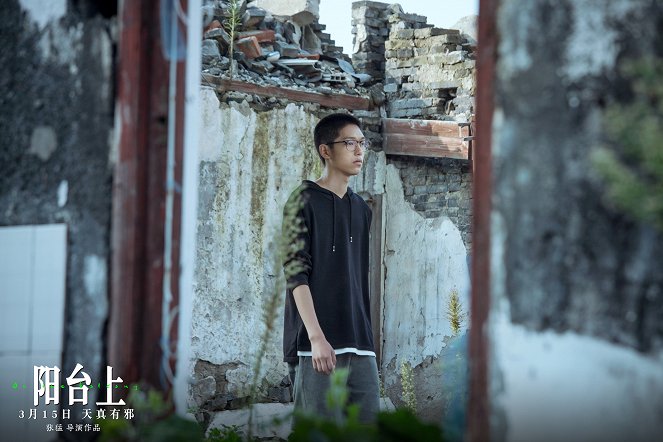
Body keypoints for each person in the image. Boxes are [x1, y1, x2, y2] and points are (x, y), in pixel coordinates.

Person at [282, 113, 379, 424]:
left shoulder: (363, 209)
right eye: (350, 143)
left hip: (361, 344)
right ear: (326, 150)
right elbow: (297, 274)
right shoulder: (303, 201)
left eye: (363, 144)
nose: (359, 151)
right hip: (317, 346)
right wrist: (316, 338)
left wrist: (368, 341)